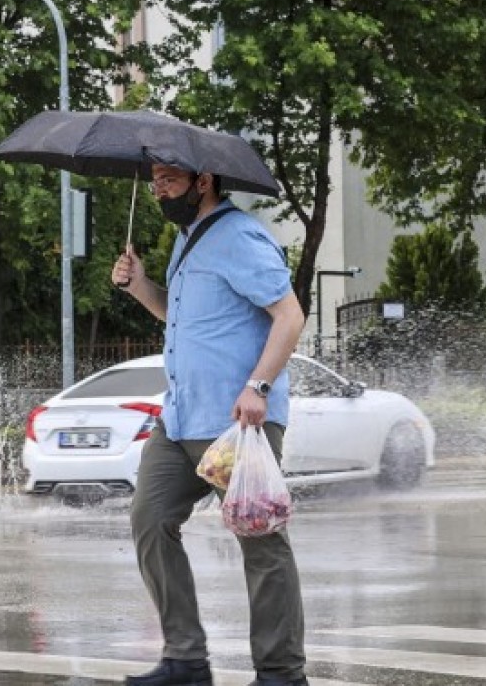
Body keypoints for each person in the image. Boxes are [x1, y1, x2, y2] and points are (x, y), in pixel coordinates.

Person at [111, 160, 308, 686]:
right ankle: (185, 660)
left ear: (204, 182)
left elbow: (290, 316)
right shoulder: (187, 240)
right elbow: (176, 316)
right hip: (179, 421)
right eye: (155, 182)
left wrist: (259, 386)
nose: (159, 191)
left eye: (169, 180)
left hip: (236, 425)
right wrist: (140, 286)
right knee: (150, 521)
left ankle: (282, 673)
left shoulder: (240, 236)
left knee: (261, 542)